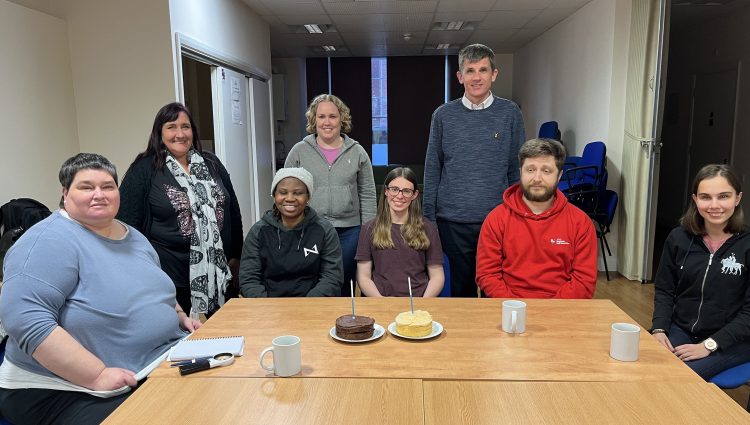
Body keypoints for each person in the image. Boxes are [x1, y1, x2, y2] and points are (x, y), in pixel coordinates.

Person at [0, 153, 199, 425]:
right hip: (63, 389)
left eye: (108, 186)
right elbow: (25, 321)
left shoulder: (132, 235)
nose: (99, 194)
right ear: (65, 192)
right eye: (86, 187)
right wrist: (97, 375)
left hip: (154, 363)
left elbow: (156, 289)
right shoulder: (48, 241)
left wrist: (179, 317)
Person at [118, 102, 243, 317]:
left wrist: (236, 256)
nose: (180, 134)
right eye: (171, 127)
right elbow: (127, 224)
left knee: (225, 334)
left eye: (185, 127)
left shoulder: (211, 163)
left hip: (218, 271)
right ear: (159, 132)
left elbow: (233, 210)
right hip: (170, 275)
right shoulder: (145, 168)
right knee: (182, 340)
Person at [424, 43, 525, 297]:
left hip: (498, 219)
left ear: (494, 74)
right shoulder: (443, 115)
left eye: (483, 70)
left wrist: (519, 213)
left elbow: (516, 168)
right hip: (452, 221)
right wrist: (429, 218)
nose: (476, 77)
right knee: (461, 292)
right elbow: (432, 168)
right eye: (470, 70)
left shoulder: (510, 113)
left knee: (498, 291)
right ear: (460, 76)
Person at [651, 164, 750, 380]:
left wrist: (709, 345)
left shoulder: (747, 245)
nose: (714, 205)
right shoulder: (678, 238)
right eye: (706, 197)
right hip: (684, 329)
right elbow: (665, 290)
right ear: (695, 199)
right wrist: (659, 330)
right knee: (650, 365)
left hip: (735, 340)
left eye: (723, 196)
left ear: (737, 198)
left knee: (680, 377)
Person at [476, 138, 597, 298]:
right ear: (520, 172)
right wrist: (516, 309)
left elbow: (584, 281)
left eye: (546, 171)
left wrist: (547, 311)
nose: (537, 178)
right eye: (530, 170)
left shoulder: (581, 222)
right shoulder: (496, 219)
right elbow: (487, 274)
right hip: (508, 307)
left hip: (561, 309)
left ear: (559, 175)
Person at [285, 94, 376, 297]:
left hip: (349, 232)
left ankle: (346, 322)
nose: (327, 122)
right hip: (309, 228)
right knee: (312, 280)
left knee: (345, 280)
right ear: (313, 120)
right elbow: (285, 191)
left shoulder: (357, 152)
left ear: (341, 119)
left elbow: (368, 193)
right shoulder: (299, 151)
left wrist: (367, 231)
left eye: (333, 116)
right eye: (322, 116)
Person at [239, 168, 343, 297]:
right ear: (274, 195)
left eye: (298, 193)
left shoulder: (325, 230)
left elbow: (331, 277)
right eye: (283, 192)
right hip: (267, 306)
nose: (289, 198)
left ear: (308, 197)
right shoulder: (258, 231)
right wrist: (266, 307)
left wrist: (306, 306)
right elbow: (249, 278)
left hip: (311, 305)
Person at [355, 167, 444, 297]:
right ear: (386, 191)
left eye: (406, 191)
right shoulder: (369, 228)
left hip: (418, 302)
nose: (399, 196)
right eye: (394, 189)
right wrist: (381, 302)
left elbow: (437, 276)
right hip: (380, 302)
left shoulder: (428, 228)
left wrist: (423, 303)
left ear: (414, 195)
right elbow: (363, 276)